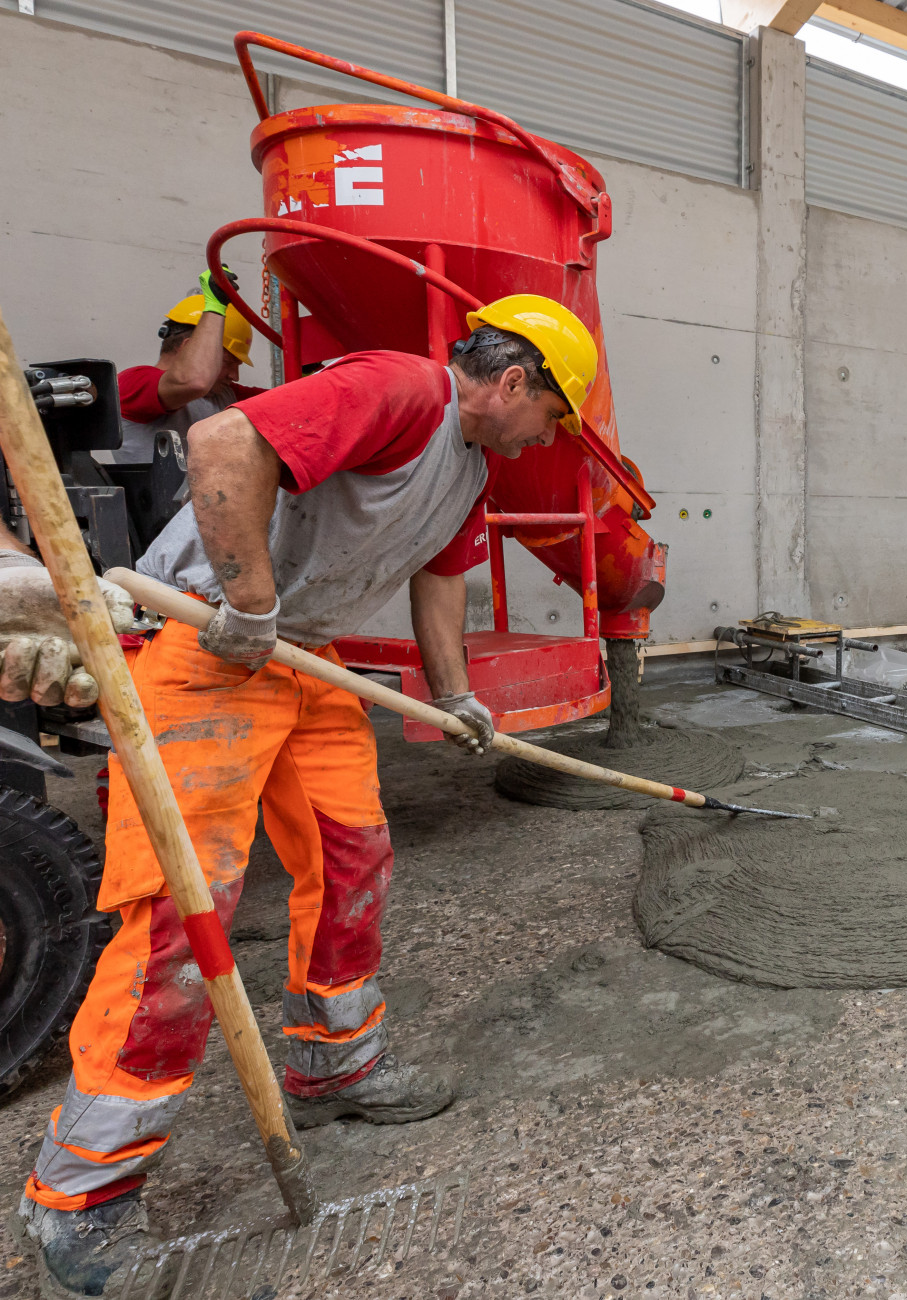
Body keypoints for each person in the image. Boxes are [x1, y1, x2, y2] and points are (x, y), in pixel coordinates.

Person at [18, 293, 601, 1297]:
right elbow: (223, 445)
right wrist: (247, 601)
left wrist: (456, 694)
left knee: (351, 856)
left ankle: (333, 1065)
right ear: (516, 383)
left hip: (306, 659)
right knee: (180, 915)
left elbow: (440, 581)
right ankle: (78, 1194)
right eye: (553, 416)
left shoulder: (468, 471)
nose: (548, 436)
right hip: (203, 643)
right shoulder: (401, 390)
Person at [111, 268, 264, 467]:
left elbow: (285, 403)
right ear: (188, 347)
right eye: (227, 362)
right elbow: (195, 381)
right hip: (157, 498)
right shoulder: (133, 382)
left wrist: (306, 369)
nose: (235, 376)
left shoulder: (222, 395)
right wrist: (215, 307)